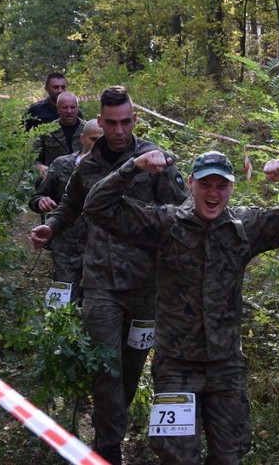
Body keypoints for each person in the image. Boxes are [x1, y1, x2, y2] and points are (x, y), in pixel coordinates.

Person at [82, 149, 279, 465]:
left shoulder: (245, 226)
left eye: (221, 186)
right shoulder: (166, 224)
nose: (213, 193)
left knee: (229, 456)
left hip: (226, 366)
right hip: (176, 366)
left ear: (231, 188)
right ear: (191, 184)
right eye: (205, 184)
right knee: (177, 458)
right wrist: (133, 166)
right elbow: (97, 207)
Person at [29, 85, 189, 464]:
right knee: (107, 364)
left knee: (133, 361)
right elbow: (70, 204)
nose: (119, 131)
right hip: (99, 280)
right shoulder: (88, 164)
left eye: (126, 122)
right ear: (100, 122)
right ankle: (108, 446)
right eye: (112, 123)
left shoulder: (156, 159)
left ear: (135, 120)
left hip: (146, 282)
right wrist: (50, 227)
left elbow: (180, 212)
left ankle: (116, 417)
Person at [28, 119, 103, 303]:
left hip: (100, 251)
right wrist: (41, 201)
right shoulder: (62, 164)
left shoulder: (115, 170)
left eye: (103, 140)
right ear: (82, 139)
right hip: (66, 247)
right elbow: (37, 197)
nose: (99, 145)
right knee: (61, 305)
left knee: (94, 305)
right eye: (94, 139)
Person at [32, 91, 85, 179]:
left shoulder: (87, 130)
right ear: (58, 109)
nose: (69, 111)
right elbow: (32, 157)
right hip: (54, 182)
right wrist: (39, 167)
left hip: (81, 181)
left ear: (77, 108)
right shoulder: (47, 131)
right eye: (65, 108)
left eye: (72, 107)